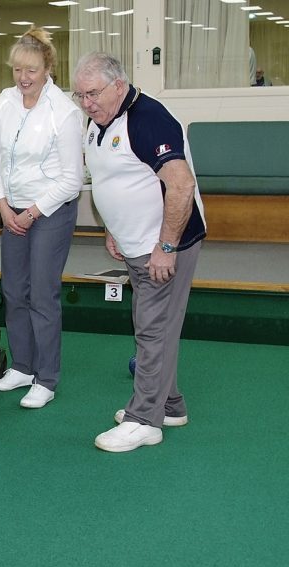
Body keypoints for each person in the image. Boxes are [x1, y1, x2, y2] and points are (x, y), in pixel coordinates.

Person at [71, 52, 206, 453]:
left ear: (118, 84)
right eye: (79, 95)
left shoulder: (149, 118)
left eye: (92, 93)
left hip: (164, 246)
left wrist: (166, 247)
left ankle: (144, 418)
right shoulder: (98, 123)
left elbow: (181, 187)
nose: (86, 102)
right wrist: (112, 228)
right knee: (155, 326)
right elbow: (112, 180)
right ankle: (170, 405)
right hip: (135, 244)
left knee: (152, 329)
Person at [0, 26, 83, 410]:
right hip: (13, 212)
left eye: (31, 70)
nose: (23, 78)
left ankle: (46, 377)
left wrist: (30, 212)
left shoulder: (65, 111)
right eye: (17, 70)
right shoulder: (6, 101)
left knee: (43, 295)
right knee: (13, 291)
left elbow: (72, 180)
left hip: (51, 212)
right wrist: (4, 204)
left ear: (47, 68)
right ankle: (22, 366)